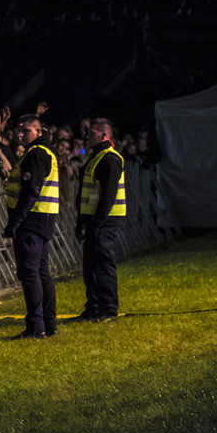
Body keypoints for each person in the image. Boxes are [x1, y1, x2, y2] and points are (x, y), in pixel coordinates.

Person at [1, 115, 60, 339]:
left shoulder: (36, 154)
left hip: (31, 219)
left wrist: (15, 222)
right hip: (43, 217)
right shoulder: (45, 152)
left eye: (26, 131)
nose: (20, 134)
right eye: (19, 130)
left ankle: (36, 327)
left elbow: (31, 190)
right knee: (41, 272)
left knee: (30, 273)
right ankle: (48, 324)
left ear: (38, 132)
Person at [75, 117, 125, 322]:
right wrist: (81, 221)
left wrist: (97, 221)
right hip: (95, 219)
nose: (86, 136)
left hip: (104, 220)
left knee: (103, 265)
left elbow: (108, 195)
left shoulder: (110, 158)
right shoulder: (96, 157)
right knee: (91, 266)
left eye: (91, 132)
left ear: (104, 135)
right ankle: (94, 308)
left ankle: (108, 310)